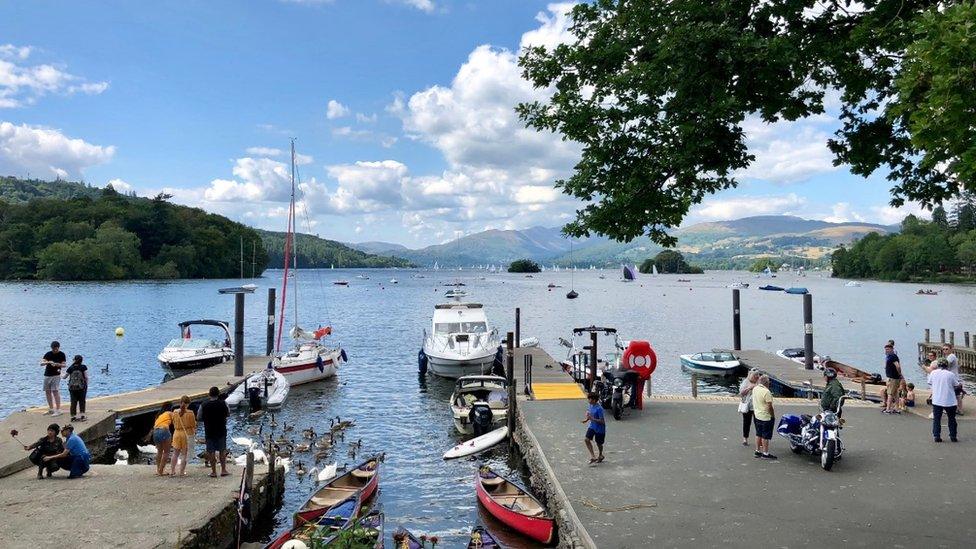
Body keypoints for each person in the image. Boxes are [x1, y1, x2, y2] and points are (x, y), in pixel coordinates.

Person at [199, 386, 230, 477]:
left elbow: (199, 417)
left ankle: (213, 471)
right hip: (221, 430)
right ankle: (223, 470)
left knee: (211, 451)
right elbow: (228, 413)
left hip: (209, 430)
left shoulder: (204, 405)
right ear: (218, 394)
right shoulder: (224, 403)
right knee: (222, 451)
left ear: (209, 394)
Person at [928, 358, 961, 442]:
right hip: (949, 400)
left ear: (938, 365)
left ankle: (937, 436)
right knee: (952, 419)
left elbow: (930, 383)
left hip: (937, 400)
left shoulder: (933, 373)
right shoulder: (950, 374)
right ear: (947, 365)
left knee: (937, 419)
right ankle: (953, 436)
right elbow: (956, 385)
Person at [169, 395, 197, 477]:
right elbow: (193, 425)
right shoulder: (190, 413)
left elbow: (173, 423)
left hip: (177, 433)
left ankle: (172, 471)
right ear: (188, 404)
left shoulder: (175, 412)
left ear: (180, 402)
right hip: (186, 434)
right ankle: (181, 472)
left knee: (175, 453)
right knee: (184, 454)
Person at [751, 374, 776, 460]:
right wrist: (772, 415)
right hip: (766, 417)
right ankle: (765, 453)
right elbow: (769, 406)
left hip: (757, 415)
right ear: (767, 383)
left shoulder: (755, 389)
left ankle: (757, 451)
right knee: (765, 436)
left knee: (758, 434)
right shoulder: (766, 392)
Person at [40, 341, 66, 417]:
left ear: (58, 347)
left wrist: (57, 364)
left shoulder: (61, 354)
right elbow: (41, 363)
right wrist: (48, 362)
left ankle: (58, 409)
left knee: (55, 391)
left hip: (56, 375)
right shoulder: (48, 354)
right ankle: (51, 409)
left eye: (56, 348)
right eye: (53, 349)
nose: (54, 350)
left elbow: (64, 365)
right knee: (47, 391)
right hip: (47, 374)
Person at [581, 392, 606, 464]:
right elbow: (590, 414)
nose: (588, 400)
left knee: (599, 443)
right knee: (586, 439)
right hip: (592, 426)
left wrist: (592, 418)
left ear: (594, 400)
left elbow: (602, 421)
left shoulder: (599, 409)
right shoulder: (590, 405)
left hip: (600, 428)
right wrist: (587, 419)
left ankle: (600, 455)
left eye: (590, 399)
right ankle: (593, 456)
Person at [151, 402, 174, 476]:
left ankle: (158, 470)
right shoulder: (169, 413)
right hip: (164, 429)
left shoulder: (158, 416)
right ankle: (161, 471)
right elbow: (176, 422)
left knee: (159, 451)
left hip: (155, 431)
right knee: (167, 452)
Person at [738, 369, 759, 446]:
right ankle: (745, 439)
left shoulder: (758, 382)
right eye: (754, 376)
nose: (756, 377)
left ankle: (759, 440)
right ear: (750, 375)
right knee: (746, 422)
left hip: (757, 406)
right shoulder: (746, 382)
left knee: (757, 423)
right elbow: (741, 393)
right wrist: (749, 388)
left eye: (757, 376)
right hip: (747, 405)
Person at [64, 355, 89, 421]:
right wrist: (86, 384)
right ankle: (82, 415)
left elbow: (64, 377)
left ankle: (73, 417)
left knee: (73, 402)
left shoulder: (71, 368)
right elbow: (86, 377)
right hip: (82, 387)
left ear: (74, 360)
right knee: (82, 401)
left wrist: (60, 373)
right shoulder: (83, 367)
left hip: (72, 388)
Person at [942, 344, 964, 415]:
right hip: (953, 377)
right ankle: (959, 409)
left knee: (954, 394)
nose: (945, 351)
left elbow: (945, 364)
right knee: (956, 394)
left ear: (951, 349)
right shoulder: (949, 356)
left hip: (952, 378)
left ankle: (956, 409)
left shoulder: (951, 356)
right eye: (943, 349)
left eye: (946, 349)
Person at [883, 343, 902, 414]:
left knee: (890, 393)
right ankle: (897, 408)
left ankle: (888, 409)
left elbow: (898, 366)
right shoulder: (889, 356)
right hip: (890, 377)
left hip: (893, 377)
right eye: (885, 349)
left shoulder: (893, 356)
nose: (886, 351)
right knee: (895, 393)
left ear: (892, 349)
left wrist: (900, 374)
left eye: (888, 349)